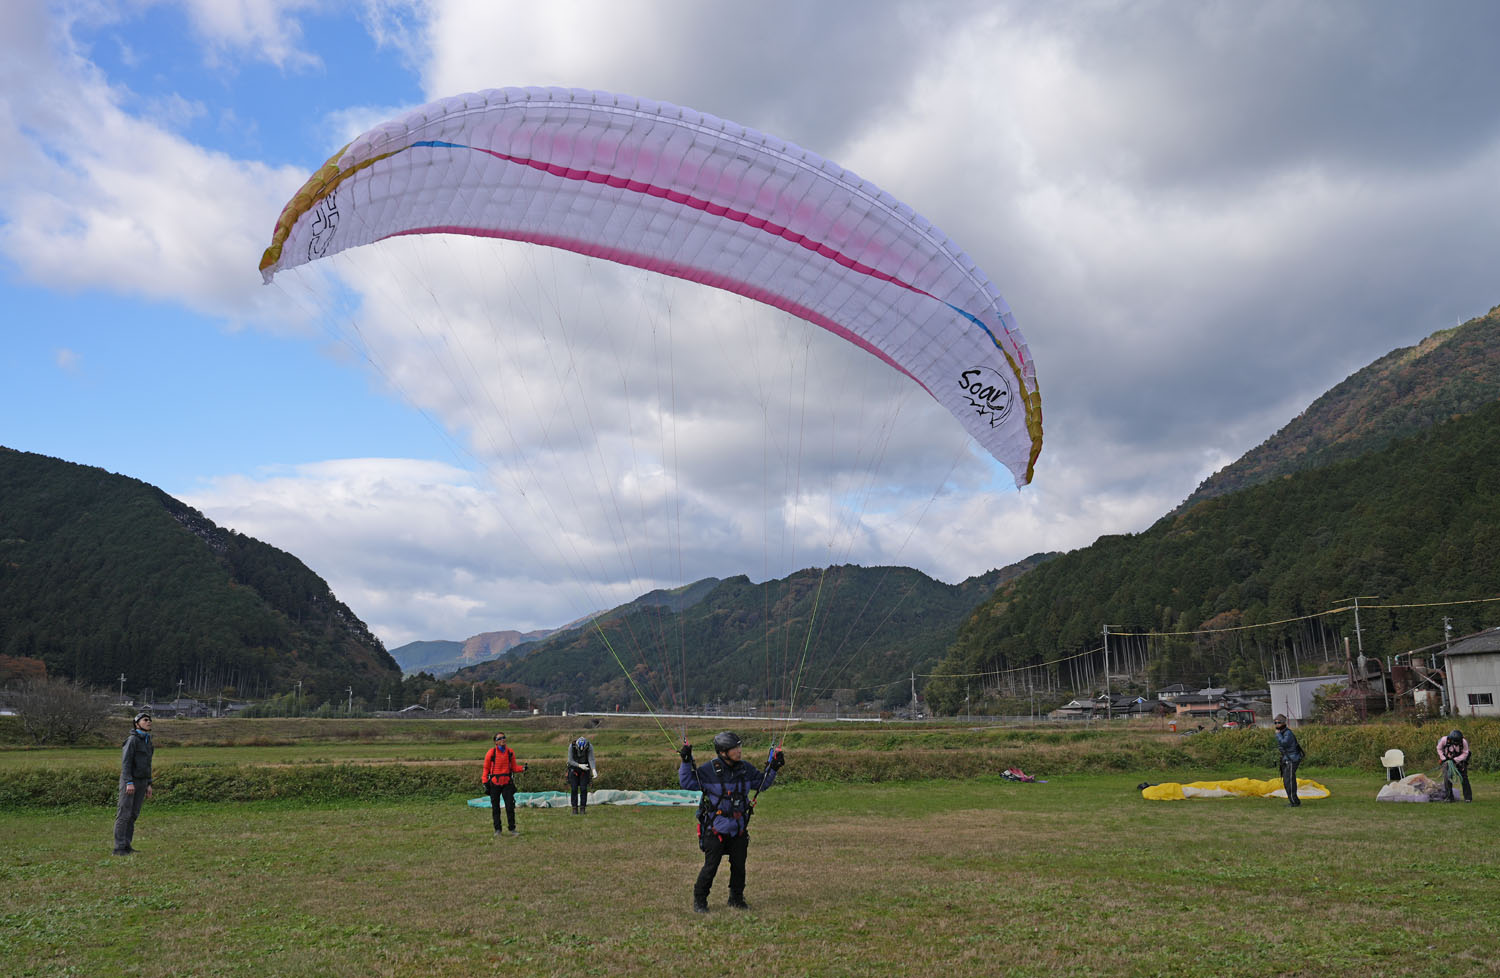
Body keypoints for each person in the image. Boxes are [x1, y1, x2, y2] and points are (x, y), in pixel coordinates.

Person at [678, 731, 786, 913]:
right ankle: (700, 900)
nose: (739, 751)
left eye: (739, 746)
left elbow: (762, 784)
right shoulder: (708, 771)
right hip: (715, 828)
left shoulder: (745, 769)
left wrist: (773, 767)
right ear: (723, 752)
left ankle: (736, 899)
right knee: (711, 866)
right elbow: (687, 782)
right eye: (734, 748)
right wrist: (686, 761)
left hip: (738, 828)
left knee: (739, 866)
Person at [113, 712, 154, 855]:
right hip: (130, 781)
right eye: (145, 720)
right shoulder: (132, 740)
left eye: (150, 720)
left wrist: (149, 783)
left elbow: (148, 764)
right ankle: (118, 848)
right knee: (124, 814)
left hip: (142, 782)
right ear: (137, 724)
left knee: (133, 815)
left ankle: (127, 845)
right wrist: (129, 782)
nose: (149, 722)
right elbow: (126, 763)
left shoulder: (148, 742)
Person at [482, 732, 527, 836]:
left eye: (504, 737)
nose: (502, 739)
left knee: (510, 807)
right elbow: (486, 768)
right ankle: (498, 830)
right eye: (500, 738)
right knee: (495, 808)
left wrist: (522, 769)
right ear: (495, 742)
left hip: (507, 783)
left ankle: (512, 829)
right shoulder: (491, 753)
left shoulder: (510, 752)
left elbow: (514, 768)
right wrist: (484, 781)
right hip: (494, 784)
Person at [1273, 714, 1304, 807]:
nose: (1276, 724)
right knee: (1288, 781)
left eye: (1278, 722)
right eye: (1275, 722)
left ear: (1283, 723)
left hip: (1291, 760)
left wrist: (1278, 735)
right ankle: (1294, 801)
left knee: (1289, 781)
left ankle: (1294, 802)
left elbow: (1284, 743)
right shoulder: (1282, 732)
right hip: (1287, 759)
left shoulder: (1287, 733)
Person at [1438, 728, 1472, 803]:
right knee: (1447, 778)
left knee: (1464, 778)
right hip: (1447, 761)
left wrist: (1455, 760)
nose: (1456, 743)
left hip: (1460, 761)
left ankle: (1468, 798)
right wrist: (1443, 758)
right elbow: (1439, 749)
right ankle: (1449, 797)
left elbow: (1465, 753)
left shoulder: (1464, 742)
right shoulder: (1444, 740)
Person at [567, 736, 597, 814]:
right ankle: (574, 808)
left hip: (585, 770)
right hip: (574, 769)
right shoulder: (571, 746)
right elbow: (570, 760)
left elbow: (591, 759)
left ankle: (582, 808)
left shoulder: (589, 746)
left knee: (583, 789)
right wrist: (579, 765)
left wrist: (593, 769)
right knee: (574, 789)